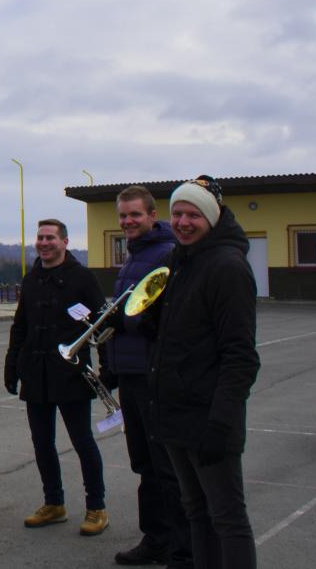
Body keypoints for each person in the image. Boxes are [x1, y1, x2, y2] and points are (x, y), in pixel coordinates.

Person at [148, 177, 260, 569]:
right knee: (195, 510)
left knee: (227, 517)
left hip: (210, 417)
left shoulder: (227, 267)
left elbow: (241, 355)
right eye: (177, 213)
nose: (182, 222)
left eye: (193, 215)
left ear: (211, 217)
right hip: (176, 413)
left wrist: (222, 422)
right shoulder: (180, 260)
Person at [4, 219, 109, 536]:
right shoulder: (31, 279)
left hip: (71, 374)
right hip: (36, 373)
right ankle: (54, 503)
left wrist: (107, 369)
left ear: (64, 241)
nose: (44, 242)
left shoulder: (83, 278)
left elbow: (102, 325)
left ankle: (96, 507)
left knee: (82, 442)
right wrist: (12, 364)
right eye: (40, 237)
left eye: (50, 237)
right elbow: (20, 325)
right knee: (42, 443)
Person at [105, 187, 191, 567]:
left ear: (153, 216)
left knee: (165, 466)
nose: (128, 221)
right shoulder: (133, 257)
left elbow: (163, 318)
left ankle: (179, 547)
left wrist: (124, 320)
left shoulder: (165, 255)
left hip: (153, 376)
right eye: (123, 216)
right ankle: (155, 537)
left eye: (135, 215)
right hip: (131, 373)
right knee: (143, 463)